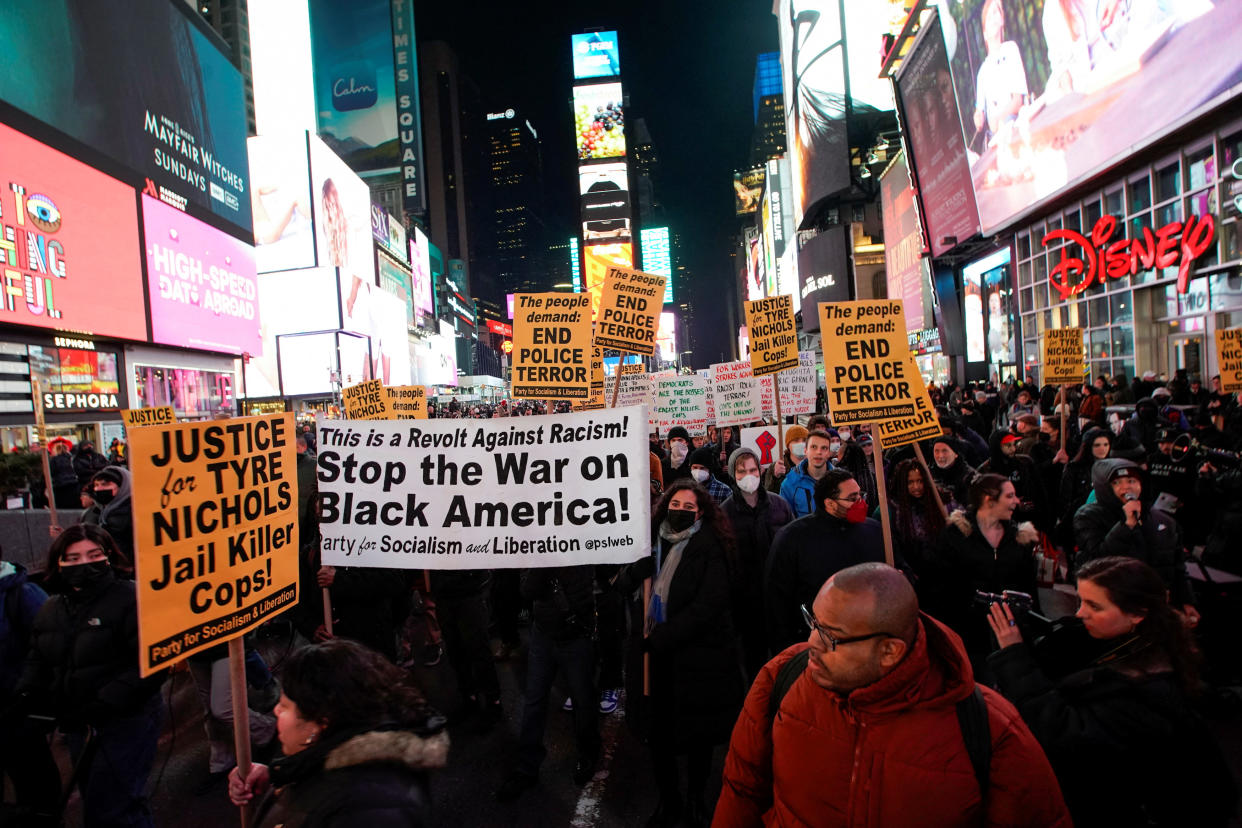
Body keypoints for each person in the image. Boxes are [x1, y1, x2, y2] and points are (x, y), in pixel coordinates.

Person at [715, 563, 1071, 828]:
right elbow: (741, 791)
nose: (812, 645)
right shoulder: (784, 676)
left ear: (889, 651)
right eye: (813, 624)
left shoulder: (989, 730)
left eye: (832, 637)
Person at [987, 557, 1237, 826]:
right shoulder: (1136, 643)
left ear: (1137, 614)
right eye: (1081, 600)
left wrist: (1015, 657)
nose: (1081, 613)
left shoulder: (1146, 687)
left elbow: (1065, 734)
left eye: (1094, 606)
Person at [17, 525, 165, 827]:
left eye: (93, 555)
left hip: (127, 721)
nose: (83, 564)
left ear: (109, 556)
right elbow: (38, 657)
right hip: (79, 725)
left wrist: (105, 702)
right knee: (97, 800)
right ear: (58, 562)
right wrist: (26, 695)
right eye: (72, 558)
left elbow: (152, 664)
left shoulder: (132, 598)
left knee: (116, 807)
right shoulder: (51, 607)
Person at [619, 480, 743, 827]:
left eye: (689, 508)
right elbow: (619, 586)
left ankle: (695, 800)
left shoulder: (711, 545)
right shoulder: (648, 542)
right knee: (659, 735)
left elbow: (710, 604)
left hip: (697, 658)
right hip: (654, 660)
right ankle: (668, 800)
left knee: (698, 736)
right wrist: (634, 572)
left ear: (701, 512)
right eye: (676, 504)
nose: (681, 512)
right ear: (664, 506)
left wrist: (664, 637)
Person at [228, 639, 448, 827]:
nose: (275, 711)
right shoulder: (343, 760)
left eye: (285, 706)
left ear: (320, 722)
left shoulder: (372, 809)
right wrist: (275, 776)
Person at [495, 565, 599, 800]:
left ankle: (588, 753)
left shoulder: (583, 546)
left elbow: (582, 591)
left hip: (575, 636)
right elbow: (528, 589)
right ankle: (527, 767)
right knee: (534, 701)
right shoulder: (537, 548)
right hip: (543, 634)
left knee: (583, 700)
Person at [924, 474, 1040, 677]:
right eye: (1010, 496)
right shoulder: (955, 537)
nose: (1016, 501)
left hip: (1010, 633)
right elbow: (939, 589)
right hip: (968, 635)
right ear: (989, 499)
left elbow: (1029, 590)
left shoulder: (1021, 539)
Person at [765, 470, 885, 654]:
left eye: (861, 495)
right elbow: (777, 600)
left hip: (869, 638)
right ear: (830, 503)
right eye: (853, 498)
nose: (861, 502)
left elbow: (896, 569)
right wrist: (788, 649)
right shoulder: (793, 538)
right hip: (817, 645)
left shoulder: (873, 530)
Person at [1073, 459, 1198, 625]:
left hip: (1154, 608)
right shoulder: (1088, 516)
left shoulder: (1163, 521)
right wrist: (1126, 526)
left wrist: (1186, 600)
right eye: (1117, 483)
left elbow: (1177, 565)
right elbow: (1097, 558)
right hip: (1113, 610)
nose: (1126, 487)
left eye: (1131, 481)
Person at [721, 447, 794, 681]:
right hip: (745, 601)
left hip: (779, 595)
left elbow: (791, 548)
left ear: (761, 471)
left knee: (784, 655)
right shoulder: (725, 512)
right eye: (742, 471)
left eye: (753, 469)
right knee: (753, 661)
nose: (748, 476)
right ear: (733, 474)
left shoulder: (779, 505)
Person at [0, 543, 59, 824]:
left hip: (17, 710)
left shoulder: (22, 594)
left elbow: (51, 649)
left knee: (34, 785)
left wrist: (25, 692)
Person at [887, 458, 949, 581]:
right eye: (910, 482)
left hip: (942, 572)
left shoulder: (940, 501)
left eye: (920, 481)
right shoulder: (892, 509)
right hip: (912, 575)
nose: (916, 487)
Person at [977, 428, 1049, 529]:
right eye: (1008, 446)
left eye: (1014, 444)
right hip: (1001, 524)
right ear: (997, 447)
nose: (1013, 449)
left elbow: (1039, 491)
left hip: (1028, 521)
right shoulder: (986, 470)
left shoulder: (1025, 462)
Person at [80, 466, 135, 576]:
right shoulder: (97, 512)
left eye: (105, 484)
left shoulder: (133, 513)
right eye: (96, 485)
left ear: (122, 487)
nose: (99, 489)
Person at [778, 429, 834, 518]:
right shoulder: (789, 484)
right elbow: (785, 521)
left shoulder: (842, 481)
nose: (819, 452)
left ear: (829, 453)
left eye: (824, 448)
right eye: (814, 447)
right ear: (805, 451)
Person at [929, 435, 976, 505]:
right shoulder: (928, 473)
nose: (940, 456)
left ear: (955, 454)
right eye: (936, 451)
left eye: (944, 451)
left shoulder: (970, 475)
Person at [761, 425, 804, 494]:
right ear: (788, 445)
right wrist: (775, 477)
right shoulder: (776, 466)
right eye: (796, 440)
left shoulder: (813, 465)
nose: (801, 443)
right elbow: (769, 496)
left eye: (804, 440)